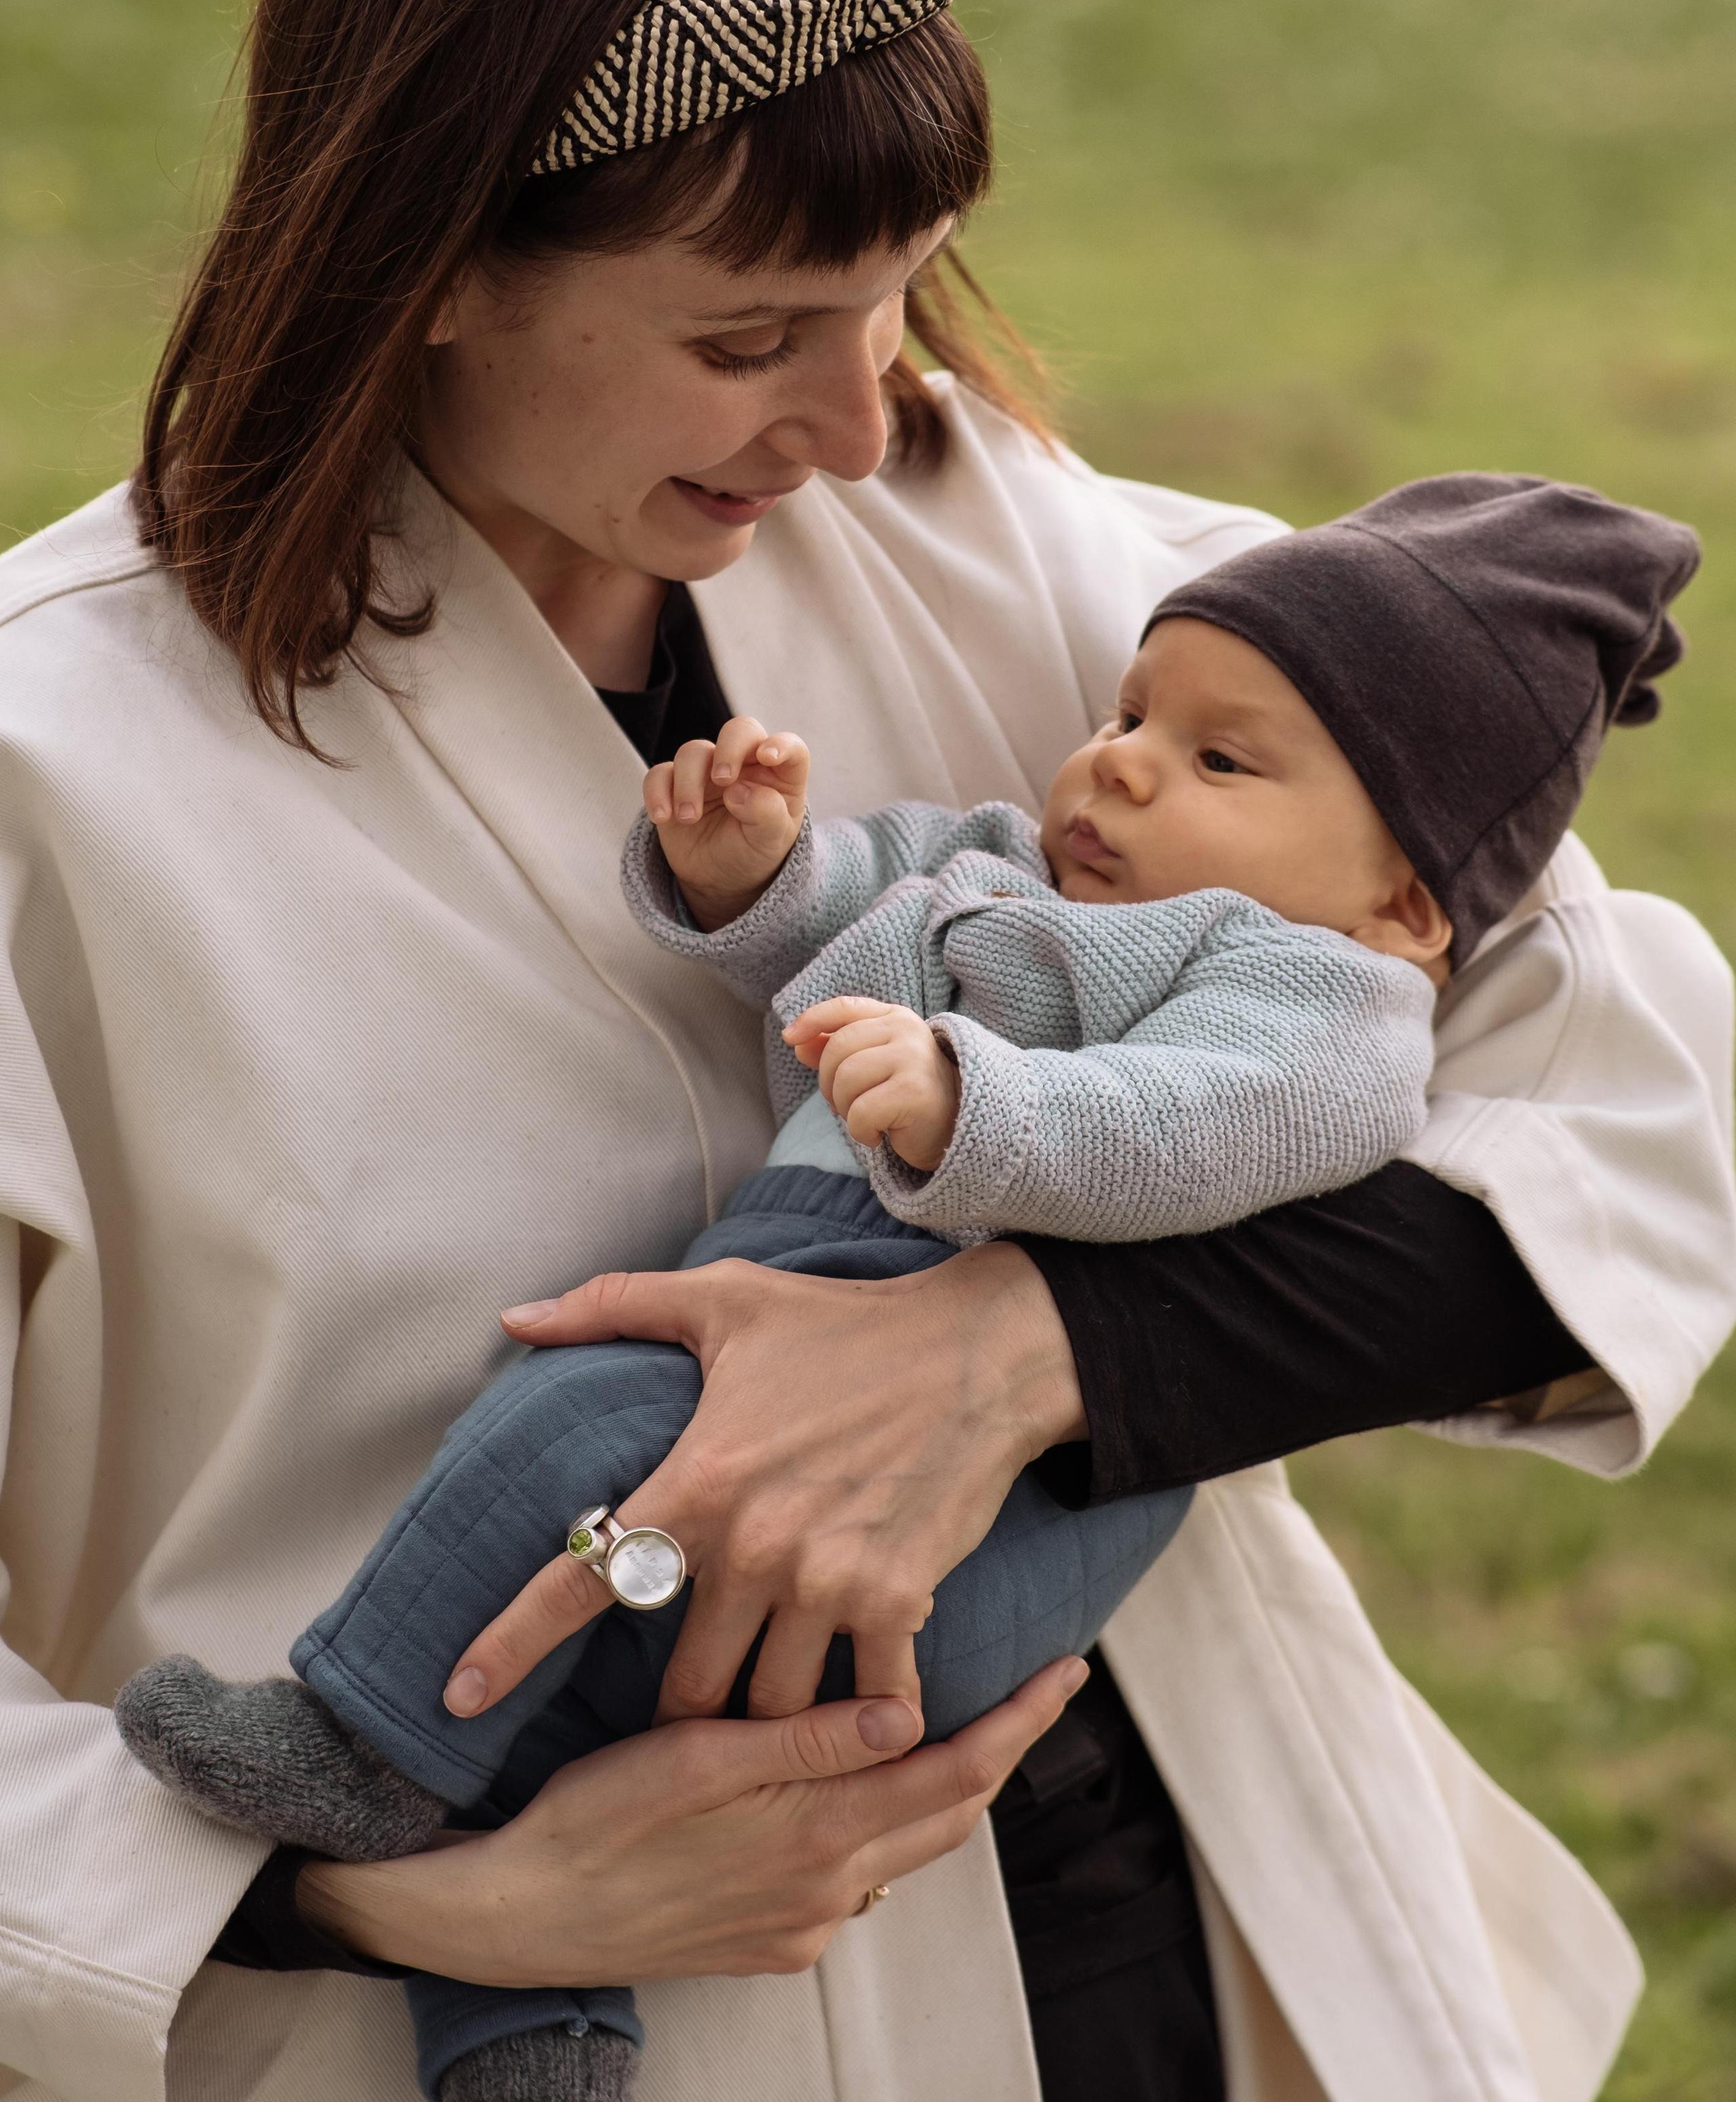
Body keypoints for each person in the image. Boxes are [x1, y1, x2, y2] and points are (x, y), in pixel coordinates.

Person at [0, 0, 1729, 2102]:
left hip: (1166, 1944)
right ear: (435, 268)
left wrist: (1027, 1358)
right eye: (744, 339)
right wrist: (379, 1886)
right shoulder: (48, 784)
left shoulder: (994, 545)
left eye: (900, 288)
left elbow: (1627, 1073)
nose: (852, 420)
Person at [113, 472, 1695, 2102]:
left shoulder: (1316, 997)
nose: (1125, 762)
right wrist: (753, 878)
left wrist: (973, 1113)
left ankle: (356, 1743)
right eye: (1128, 713)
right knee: (577, 1729)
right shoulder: (1021, 870)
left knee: (573, 1424)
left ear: (1406, 903)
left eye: (1217, 761)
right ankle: (535, 2025)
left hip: (946, 1403)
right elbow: (857, 913)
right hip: (812, 1303)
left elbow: (1194, 1129)